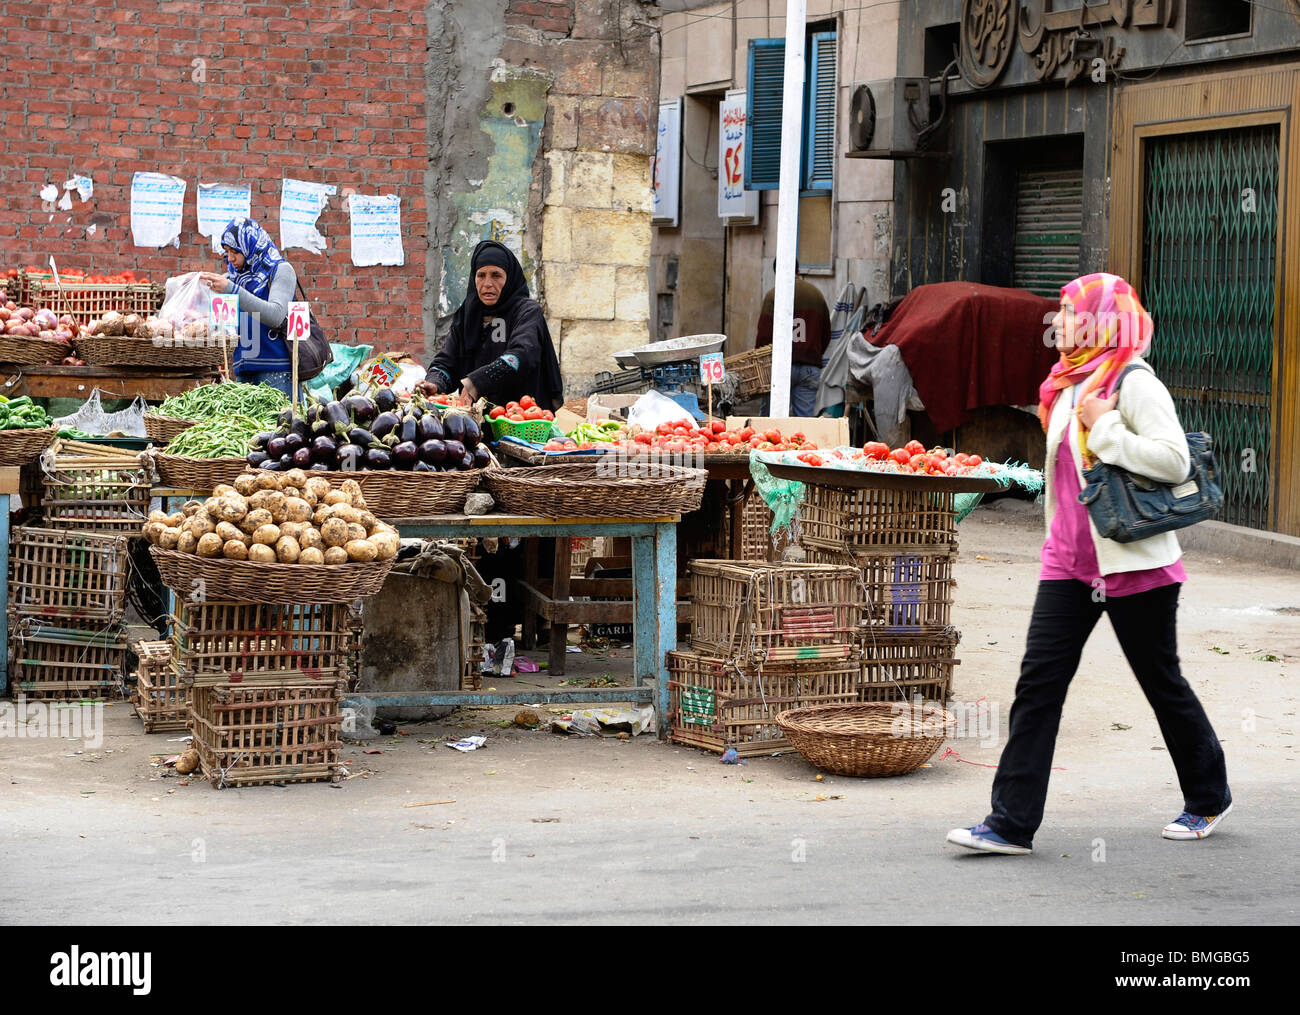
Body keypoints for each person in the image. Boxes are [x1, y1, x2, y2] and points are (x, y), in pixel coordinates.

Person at [946, 272, 1231, 856]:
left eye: (1072, 312)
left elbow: (1175, 462)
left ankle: (1208, 795)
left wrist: (1105, 425)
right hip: (1069, 567)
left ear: (1104, 320)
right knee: (1038, 686)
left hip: (1136, 566)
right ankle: (1010, 824)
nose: (1061, 321)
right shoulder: (1069, 384)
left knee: (1161, 683)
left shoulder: (1132, 382)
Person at [418, 239, 562, 409]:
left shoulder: (527, 312)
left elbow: (520, 356)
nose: (487, 284)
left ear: (509, 278)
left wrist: (476, 382)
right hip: (475, 421)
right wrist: (434, 383)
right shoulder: (467, 316)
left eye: (496, 275)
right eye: (481, 275)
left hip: (520, 419)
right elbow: (446, 362)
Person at [198, 217, 299, 397]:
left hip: (277, 372)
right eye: (227, 251)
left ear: (249, 245)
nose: (230, 258)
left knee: (280, 424)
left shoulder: (281, 270)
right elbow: (227, 325)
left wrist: (232, 290)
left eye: (235, 251)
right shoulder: (235, 277)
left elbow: (276, 315)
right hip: (244, 372)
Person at [754, 261, 830, 417]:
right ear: (798, 270)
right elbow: (826, 334)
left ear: (776, 273)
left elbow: (763, 336)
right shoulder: (816, 295)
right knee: (804, 422)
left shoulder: (773, 295)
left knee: (770, 421)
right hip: (809, 367)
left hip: (779, 367)